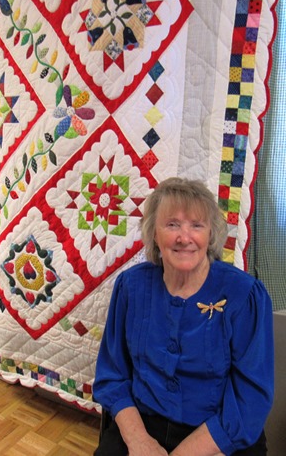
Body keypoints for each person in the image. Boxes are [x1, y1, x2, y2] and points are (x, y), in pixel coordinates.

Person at [93, 177, 274, 456]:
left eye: (196, 225)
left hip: (219, 433)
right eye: (172, 224)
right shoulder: (131, 286)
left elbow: (250, 397)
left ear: (210, 234)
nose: (184, 237)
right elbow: (112, 375)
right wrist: (138, 441)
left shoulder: (244, 295)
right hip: (144, 424)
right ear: (154, 233)